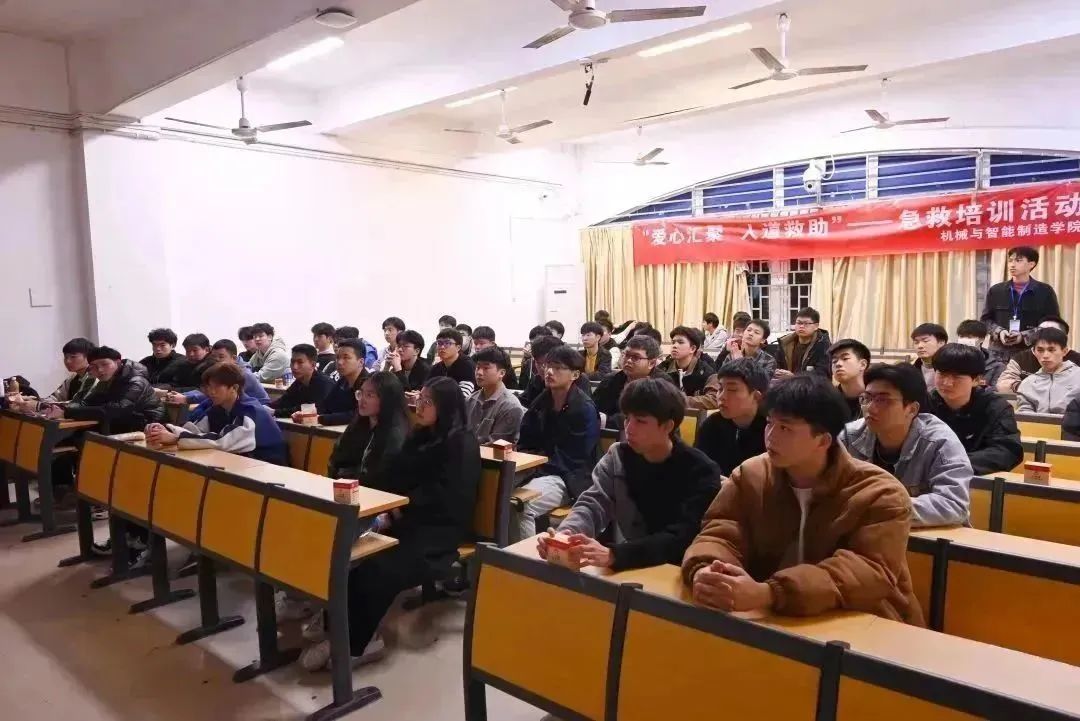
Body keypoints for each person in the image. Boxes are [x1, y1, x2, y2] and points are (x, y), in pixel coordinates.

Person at [681, 375, 923, 625]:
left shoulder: (879, 492)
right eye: (769, 423)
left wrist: (770, 593)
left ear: (823, 440)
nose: (771, 436)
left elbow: (866, 571)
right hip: (772, 618)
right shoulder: (751, 475)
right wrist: (707, 570)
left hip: (865, 623)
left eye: (785, 428)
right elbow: (720, 533)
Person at [299, 377, 480, 671]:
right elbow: (395, 477)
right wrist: (383, 505)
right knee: (354, 558)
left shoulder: (461, 442)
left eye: (428, 402)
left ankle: (359, 644)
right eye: (419, 399)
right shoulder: (421, 435)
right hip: (406, 520)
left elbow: (446, 496)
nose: (419, 406)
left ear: (446, 407)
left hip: (438, 532)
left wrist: (397, 511)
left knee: (378, 569)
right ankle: (336, 629)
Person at [539, 378, 721, 571]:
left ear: (668, 426)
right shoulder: (618, 456)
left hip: (681, 569)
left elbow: (682, 536)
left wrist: (616, 555)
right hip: (630, 565)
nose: (629, 428)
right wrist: (566, 535)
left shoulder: (701, 471)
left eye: (640, 421)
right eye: (627, 418)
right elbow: (594, 503)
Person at [840, 363, 972, 528]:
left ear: (912, 409)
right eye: (866, 398)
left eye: (883, 400)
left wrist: (882, 507)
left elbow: (954, 504)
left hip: (928, 537)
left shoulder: (939, 442)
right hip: (866, 533)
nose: (870, 408)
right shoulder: (849, 436)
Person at [515, 345, 600, 541]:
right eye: (548, 366)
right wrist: (529, 462)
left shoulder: (584, 408)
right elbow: (526, 438)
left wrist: (537, 467)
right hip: (538, 468)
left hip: (568, 477)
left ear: (575, 375)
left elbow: (575, 457)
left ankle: (524, 558)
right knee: (495, 493)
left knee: (521, 504)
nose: (549, 372)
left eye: (558, 367)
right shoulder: (542, 401)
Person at [146, 362, 287, 465]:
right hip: (241, 461)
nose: (211, 392)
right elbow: (195, 429)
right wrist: (166, 430)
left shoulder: (250, 410)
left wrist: (176, 438)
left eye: (216, 387)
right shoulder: (218, 407)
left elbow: (223, 441)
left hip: (267, 466)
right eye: (208, 387)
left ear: (234, 388)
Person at [926, 344, 1023, 476]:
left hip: (975, 479)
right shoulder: (924, 404)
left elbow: (1007, 450)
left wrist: (954, 463)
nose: (947, 383)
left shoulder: (996, 407)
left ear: (976, 380)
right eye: (942, 374)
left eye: (956, 377)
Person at [44, 346, 164, 433]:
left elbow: (116, 410)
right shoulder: (106, 380)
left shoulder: (136, 381)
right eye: (94, 367)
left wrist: (67, 413)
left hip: (149, 426)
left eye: (104, 364)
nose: (100, 370)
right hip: (121, 424)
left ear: (118, 362)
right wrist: (63, 409)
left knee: (83, 437)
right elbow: (87, 402)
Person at [327, 371, 410, 482]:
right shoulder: (357, 425)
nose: (362, 400)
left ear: (386, 399)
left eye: (369, 395)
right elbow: (336, 459)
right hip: (346, 486)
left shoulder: (395, 434)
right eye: (360, 393)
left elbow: (381, 477)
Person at [981, 246, 1060, 362]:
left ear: (1031, 264)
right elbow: (985, 320)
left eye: (1018, 260)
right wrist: (999, 332)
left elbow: (1053, 324)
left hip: (1031, 353)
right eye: (1010, 260)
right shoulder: (996, 290)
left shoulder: (1045, 291)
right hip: (997, 355)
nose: (1012, 265)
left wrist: (1024, 336)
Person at [694, 358, 769, 476]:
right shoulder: (712, 424)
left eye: (732, 390)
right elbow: (698, 467)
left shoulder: (770, 429)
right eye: (720, 388)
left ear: (756, 396)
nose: (721, 396)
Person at [593, 335, 672, 428]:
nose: (628, 361)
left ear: (651, 363)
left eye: (636, 357)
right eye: (626, 355)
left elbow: (647, 417)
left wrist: (607, 420)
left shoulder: (662, 384)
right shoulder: (611, 379)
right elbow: (594, 407)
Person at [168, 339, 270, 407]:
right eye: (213, 357)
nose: (216, 360)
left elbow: (218, 394)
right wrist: (182, 395)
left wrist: (186, 398)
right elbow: (206, 391)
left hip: (256, 410)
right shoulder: (220, 371)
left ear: (234, 358)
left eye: (221, 357)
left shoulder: (243, 374)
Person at [996, 317, 1080, 393]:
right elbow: (1003, 384)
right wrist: (1030, 388)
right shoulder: (1021, 358)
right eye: (1041, 331)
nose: (1045, 355)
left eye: (1051, 332)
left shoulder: (1076, 360)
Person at [303, 338, 370, 426]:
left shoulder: (369, 384)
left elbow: (358, 414)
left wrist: (321, 418)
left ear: (361, 362)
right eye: (337, 357)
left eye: (346, 357)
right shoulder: (342, 382)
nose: (339, 362)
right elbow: (326, 405)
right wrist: (307, 414)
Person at [465, 347, 524, 445]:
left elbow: (497, 446)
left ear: (501, 373)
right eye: (478, 367)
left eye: (486, 368)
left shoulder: (510, 406)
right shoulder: (469, 400)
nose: (479, 372)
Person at [1015, 327, 1080, 414]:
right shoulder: (1028, 383)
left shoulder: (1077, 376)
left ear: (1064, 351)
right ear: (1034, 352)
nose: (1045, 355)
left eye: (1051, 350)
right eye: (1040, 350)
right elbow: (1024, 415)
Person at [271, 344, 335, 418]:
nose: (294, 367)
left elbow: (310, 410)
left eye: (300, 362)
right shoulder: (299, 382)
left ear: (313, 365)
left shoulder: (323, 384)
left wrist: (275, 412)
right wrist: (265, 407)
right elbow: (283, 402)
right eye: (292, 362)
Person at [774, 307, 831, 379]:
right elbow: (776, 366)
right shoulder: (785, 343)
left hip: (813, 386)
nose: (801, 326)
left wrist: (794, 377)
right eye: (799, 323)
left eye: (806, 323)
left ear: (816, 326)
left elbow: (822, 375)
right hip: (785, 384)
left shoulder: (824, 345)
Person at [658, 326, 715, 397]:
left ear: (692, 349)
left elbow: (713, 398)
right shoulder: (663, 368)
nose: (674, 346)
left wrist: (681, 400)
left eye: (680, 342)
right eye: (673, 342)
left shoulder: (706, 372)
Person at [41, 337, 98, 405]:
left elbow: (79, 403)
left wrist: (40, 405)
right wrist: (37, 401)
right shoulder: (72, 379)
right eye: (66, 357)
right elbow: (56, 397)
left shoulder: (95, 376)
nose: (67, 361)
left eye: (73, 357)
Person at [954, 319, 1005, 389]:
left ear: (982, 339)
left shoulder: (997, 366)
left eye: (969, 337)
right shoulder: (952, 360)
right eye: (962, 337)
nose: (965, 340)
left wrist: (975, 386)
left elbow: (996, 391)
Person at [828, 338, 871, 420]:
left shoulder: (876, 399)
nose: (838, 364)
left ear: (863, 365)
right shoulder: (828, 399)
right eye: (834, 361)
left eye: (845, 359)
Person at [428, 328, 477, 398]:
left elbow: (462, 396)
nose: (442, 347)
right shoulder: (436, 368)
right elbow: (426, 389)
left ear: (458, 347)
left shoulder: (467, 365)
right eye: (439, 343)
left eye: (447, 343)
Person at [909, 323, 948, 389]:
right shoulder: (911, 371)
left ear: (941, 343)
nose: (920, 346)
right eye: (916, 342)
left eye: (925, 341)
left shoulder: (952, 369)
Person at [518, 325, 554, 390]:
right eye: (532, 344)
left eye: (539, 344)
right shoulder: (529, 363)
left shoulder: (556, 364)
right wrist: (526, 358)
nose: (535, 347)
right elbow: (522, 387)